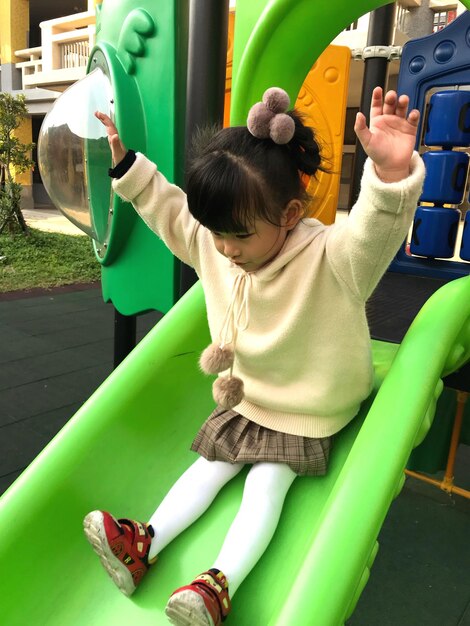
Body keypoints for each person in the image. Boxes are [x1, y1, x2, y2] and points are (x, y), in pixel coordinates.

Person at [84, 86, 424, 626]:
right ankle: (142, 545)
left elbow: (373, 233)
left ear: (290, 213)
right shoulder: (220, 244)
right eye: (217, 231)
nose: (222, 248)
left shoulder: (333, 259)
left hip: (307, 408)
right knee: (208, 465)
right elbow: (170, 213)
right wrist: (128, 168)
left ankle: (219, 585)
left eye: (237, 234)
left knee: (266, 482)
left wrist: (389, 176)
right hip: (248, 397)